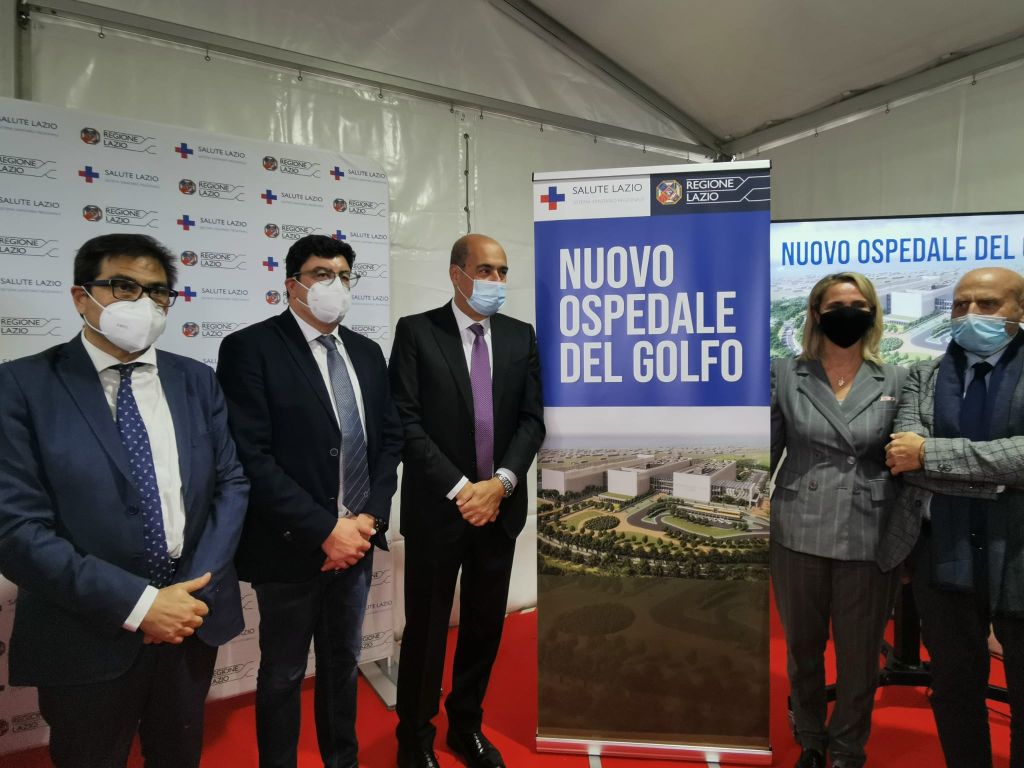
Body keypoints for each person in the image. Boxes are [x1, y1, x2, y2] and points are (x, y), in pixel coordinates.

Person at [0, 233, 249, 768]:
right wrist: (141, 605)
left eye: (157, 292)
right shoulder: (20, 386)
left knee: (179, 754)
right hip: (85, 631)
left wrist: (187, 595)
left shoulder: (196, 380)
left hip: (191, 621)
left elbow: (231, 484)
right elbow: (14, 529)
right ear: (81, 297)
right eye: (123, 286)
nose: (143, 303)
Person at [216, 234, 402, 768]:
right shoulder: (251, 348)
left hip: (357, 541)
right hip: (291, 545)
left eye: (344, 275)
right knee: (283, 673)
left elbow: (390, 441)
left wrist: (368, 519)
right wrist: (325, 530)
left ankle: (342, 760)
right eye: (322, 274)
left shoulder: (366, 352)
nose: (334, 285)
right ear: (292, 284)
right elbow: (250, 455)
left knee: (343, 665)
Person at [389, 234, 545, 768]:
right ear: (457, 274)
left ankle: (466, 726)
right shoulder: (417, 332)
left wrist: (500, 484)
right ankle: (414, 740)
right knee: (427, 632)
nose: (496, 281)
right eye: (485, 270)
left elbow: (532, 420)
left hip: (499, 509)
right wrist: (463, 490)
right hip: (440, 510)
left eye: (502, 272)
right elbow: (405, 422)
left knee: (483, 627)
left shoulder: (521, 336)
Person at [884, 266, 1024, 768]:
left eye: (987, 304)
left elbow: (923, 456)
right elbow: (903, 456)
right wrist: (999, 473)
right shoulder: (924, 376)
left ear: (1019, 310)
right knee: (953, 684)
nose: (970, 314)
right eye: (961, 304)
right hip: (941, 552)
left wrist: (933, 455)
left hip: (1018, 554)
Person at [770, 272, 906, 768]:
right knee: (803, 648)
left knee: (859, 653)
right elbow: (766, 450)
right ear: (816, 313)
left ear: (872, 314)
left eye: (858, 304)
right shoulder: (786, 373)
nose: (848, 313)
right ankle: (810, 736)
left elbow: (907, 459)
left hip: (868, 529)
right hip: (797, 526)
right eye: (835, 305)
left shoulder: (898, 379)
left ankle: (848, 748)